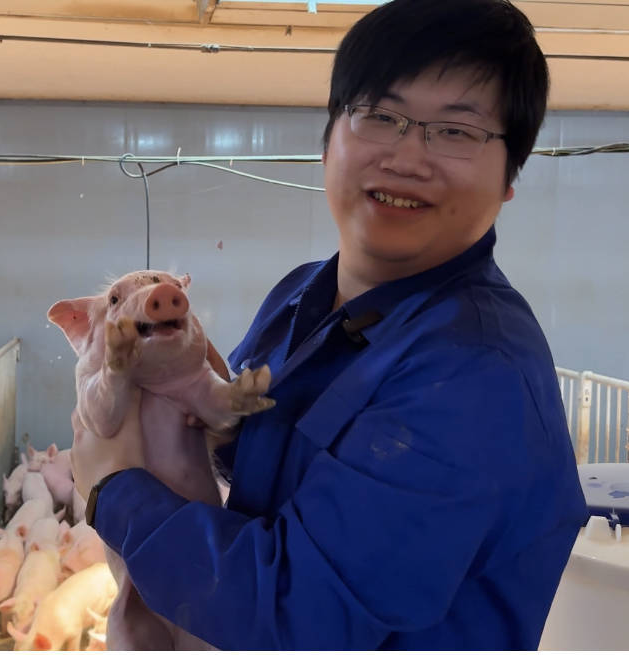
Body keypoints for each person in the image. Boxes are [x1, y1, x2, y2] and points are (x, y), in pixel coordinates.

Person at [70, 0, 588, 649]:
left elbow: (299, 614)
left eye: (456, 131)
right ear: (328, 139)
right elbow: (242, 447)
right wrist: (173, 388)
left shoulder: (476, 375)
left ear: (510, 176)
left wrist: (112, 489)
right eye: (381, 115)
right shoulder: (302, 295)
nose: (407, 157)